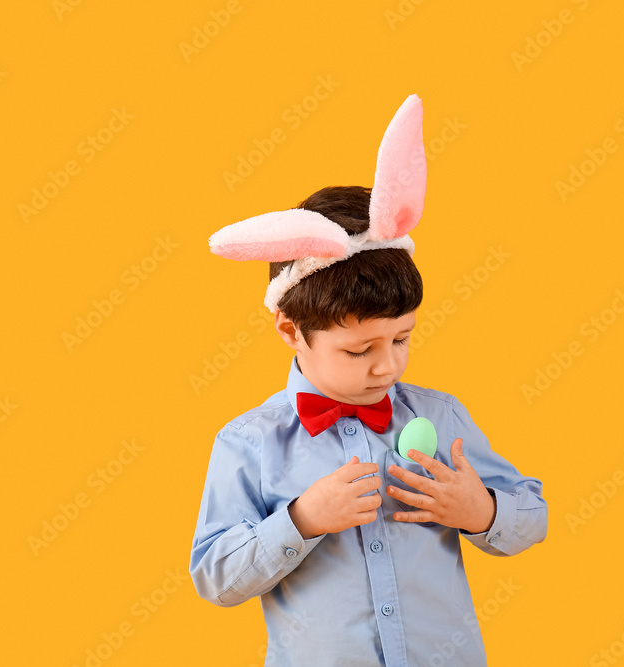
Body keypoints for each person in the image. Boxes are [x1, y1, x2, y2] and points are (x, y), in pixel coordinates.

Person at [190, 94, 547, 666]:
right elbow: (215, 577)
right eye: (359, 350)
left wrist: (480, 511)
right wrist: (301, 521)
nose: (388, 367)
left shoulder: (440, 416)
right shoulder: (249, 442)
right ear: (291, 331)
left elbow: (533, 515)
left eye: (401, 339)